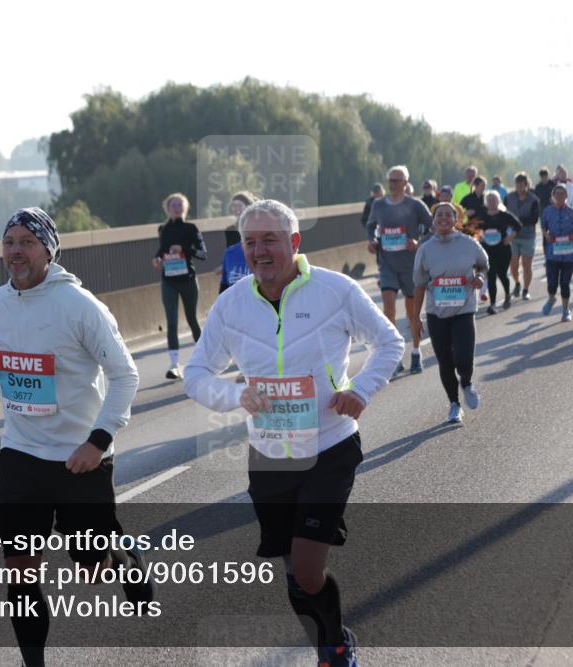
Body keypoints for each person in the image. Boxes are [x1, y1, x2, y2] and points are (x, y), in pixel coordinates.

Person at [184, 199, 403, 666]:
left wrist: (361, 390)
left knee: (306, 567)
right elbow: (196, 372)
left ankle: (337, 644)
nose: (259, 251)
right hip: (269, 455)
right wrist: (234, 397)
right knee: (292, 570)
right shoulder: (232, 303)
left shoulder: (335, 290)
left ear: (294, 242)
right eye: (250, 242)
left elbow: (389, 342)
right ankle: (325, 642)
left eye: (270, 240)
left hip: (330, 445)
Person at [0, 208, 150, 667]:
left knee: (91, 573)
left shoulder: (80, 307)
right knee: (22, 576)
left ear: (48, 248)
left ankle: (121, 551)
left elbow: (125, 375)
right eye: (9, 241)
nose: (15, 251)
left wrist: (98, 441)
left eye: (27, 241)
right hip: (22, 455)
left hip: (80, 458)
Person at [413, 202, 489, 424]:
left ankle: (466, 382)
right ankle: (454, 404)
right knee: (445, 361)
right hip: (437, 314)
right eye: (439, 215)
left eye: (449, 215)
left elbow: (484, 265)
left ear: (456, 219)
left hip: (464, 310)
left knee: (464, 358)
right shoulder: (425, 249)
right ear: (433, 220)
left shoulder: (468, 244)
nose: (443, 218)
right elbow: (418, 285)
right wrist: (415, 318)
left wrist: (480, 278)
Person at [366, 165, 432, 375]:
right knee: (389, 310)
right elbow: (371, 226)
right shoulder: (379, 205)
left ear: (405, 182)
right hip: (387, 265)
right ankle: (395, 357)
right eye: (390, 181)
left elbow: (433, 227)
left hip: (410, 266)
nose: (393, 184)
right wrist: (372, 240)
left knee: (413, 314)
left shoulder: (416, 205)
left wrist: (419, 243)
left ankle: (415, 352)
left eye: (397, 180)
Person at [153, 193, 207, 379]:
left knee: (192, 319)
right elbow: (161, 250)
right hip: (168, 281)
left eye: (180, 204)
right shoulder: (163, 229)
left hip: (188, 280)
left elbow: (202, 254)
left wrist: (184, 250)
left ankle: (204, 359)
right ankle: (174, 364)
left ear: (186, 208)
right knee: (172, 322)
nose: (176, 207)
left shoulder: (191, 228)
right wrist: (157, 258)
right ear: (167, 209)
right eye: (173, 205)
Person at [540, 185, 573, 322]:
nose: (560, 197)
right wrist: (546, 235)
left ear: (566, 197)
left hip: (569, 255)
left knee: (565, 283)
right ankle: (551, 298)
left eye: (562, 195)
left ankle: (566, 310)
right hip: (552, 254)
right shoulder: (548, 211)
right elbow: (543, 226)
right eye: (557, 195)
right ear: (553, 197)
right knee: (552, 284)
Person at [479, 191, 521, 314]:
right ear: (486, 202)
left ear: (498, 201)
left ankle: (507, 295)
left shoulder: (505, 215)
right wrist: (479, 236)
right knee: (491, 275)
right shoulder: (482, 216)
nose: (492, 202)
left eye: (494, 200)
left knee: (502, 274)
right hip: (488, 250)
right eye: (489, 200)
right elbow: (472, 227)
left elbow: (518, 226)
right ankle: (492, 304)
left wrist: (510, 237)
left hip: (503, 249)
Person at [505, 173, 541, 301]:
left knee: (527, 265)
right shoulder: (509, 198)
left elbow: (534, 219)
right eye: (517, 184)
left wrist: (518, 222)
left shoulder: (534, 200)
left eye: (522, 184)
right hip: (512, 237)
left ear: (527, 185)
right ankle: (517, 283)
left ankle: (526, 289)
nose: (520, 187)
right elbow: (504, 214)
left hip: (528, 236)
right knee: (513, 265)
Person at [220, 191, 256, 293]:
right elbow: (229, 252)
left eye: (239, 205)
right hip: (236, 273)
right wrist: (223, 266)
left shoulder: (256, 227)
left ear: (248, 207)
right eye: (234, 206)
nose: (236, 209)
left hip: (253, 269)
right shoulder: (230, 230)